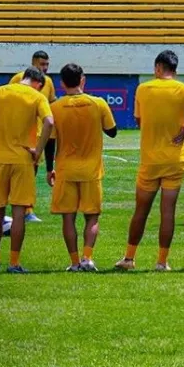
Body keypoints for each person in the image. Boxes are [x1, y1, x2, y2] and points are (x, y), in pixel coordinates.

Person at [116, 50, 184, 272]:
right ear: (175, 69)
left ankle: (129, 258)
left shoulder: (144, 88)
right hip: (175, 159)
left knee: (141, 210)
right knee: (168, 211)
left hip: (150, 159)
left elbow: (138, 120)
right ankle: (161, 262)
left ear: (158, 67)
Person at [0, 66, 54, 273]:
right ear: (38, 83)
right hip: (23, 160)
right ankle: (14, 263)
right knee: (19, 213)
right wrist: (38, 150)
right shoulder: (37, 97)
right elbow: (49, 122)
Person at [45, 63, 117, 272]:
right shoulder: (98, 103)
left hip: (65, 169)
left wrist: (50, 168)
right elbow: (112, 131)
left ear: (61, 83)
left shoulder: (55, 107)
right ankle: (87, 258)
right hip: (91, 170)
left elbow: (50, 142)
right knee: (92, 216)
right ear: (82, 80)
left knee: (68, 217)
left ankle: (74, 262)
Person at [9, 50, 58, 224]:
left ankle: (25, 208)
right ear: (33, 62)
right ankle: (25, 209)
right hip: (20, 135)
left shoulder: (49, 82)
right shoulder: (17, 79)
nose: (45, 68)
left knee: (31, 173)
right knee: (23, 174)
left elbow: (51, 104)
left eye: (47, 64)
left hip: (38, 134)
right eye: (41, 64)